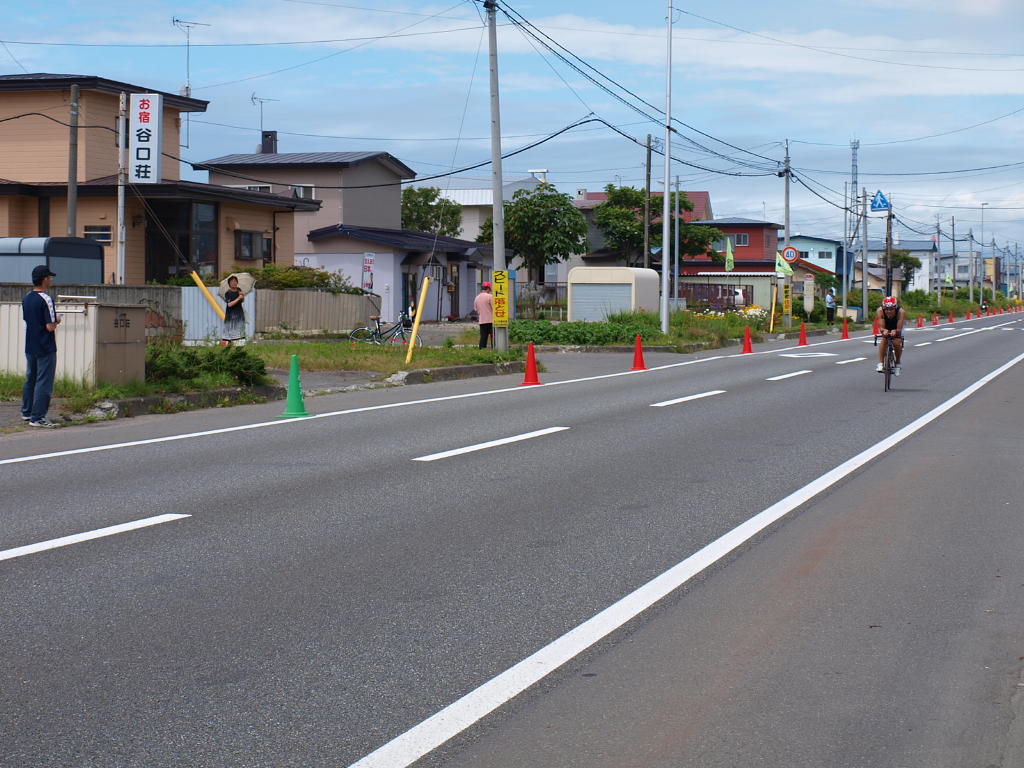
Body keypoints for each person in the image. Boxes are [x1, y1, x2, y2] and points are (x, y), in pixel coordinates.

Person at [21, 264, 61, 427]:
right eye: (50, 278)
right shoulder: (46, 299)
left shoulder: (27, 298)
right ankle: (38, 417)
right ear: (45, 279)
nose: (51, 280)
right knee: (44, 381)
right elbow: (50, 326)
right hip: (45, 345)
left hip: (30, 344)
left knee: (31, 378)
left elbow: (28, 319)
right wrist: (57, 320)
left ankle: (27, 412)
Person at [876, 295, 905, 376]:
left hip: (897, 325)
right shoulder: (880, 311)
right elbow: (881, 326)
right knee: (884, 339)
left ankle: (897, 363)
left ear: (895, 307)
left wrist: (896, 331)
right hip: (886, 324)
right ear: (883, 308)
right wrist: (883, 330)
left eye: (891, 309)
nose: (889, 311)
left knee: (896, 343)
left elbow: (899, 329)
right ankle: (881, 363)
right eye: (886, 309)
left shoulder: (901, 312)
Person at [222, 276, 246, 345]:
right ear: (229, 284)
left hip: (239, 315)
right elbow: (229, 304)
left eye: (235, 281)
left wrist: (242, 296)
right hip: (230, 316)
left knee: (240, 332)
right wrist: (238, 298)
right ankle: (227, 347)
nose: (234, 283)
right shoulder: (228, 293)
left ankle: (239, 347)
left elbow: (242, 301)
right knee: (229, 333)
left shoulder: (239, 290)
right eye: (232, 281)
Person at [474, 281, 493, 349]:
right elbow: (494, 308)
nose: (490, 291)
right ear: (488, 288)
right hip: (491, 320)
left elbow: (476, 309)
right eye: (489, 289)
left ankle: (482, 350)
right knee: (493, 336)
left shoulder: (477, 298)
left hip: (482, 320)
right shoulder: (490, 296)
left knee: (483, 337)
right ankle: (494, 348)